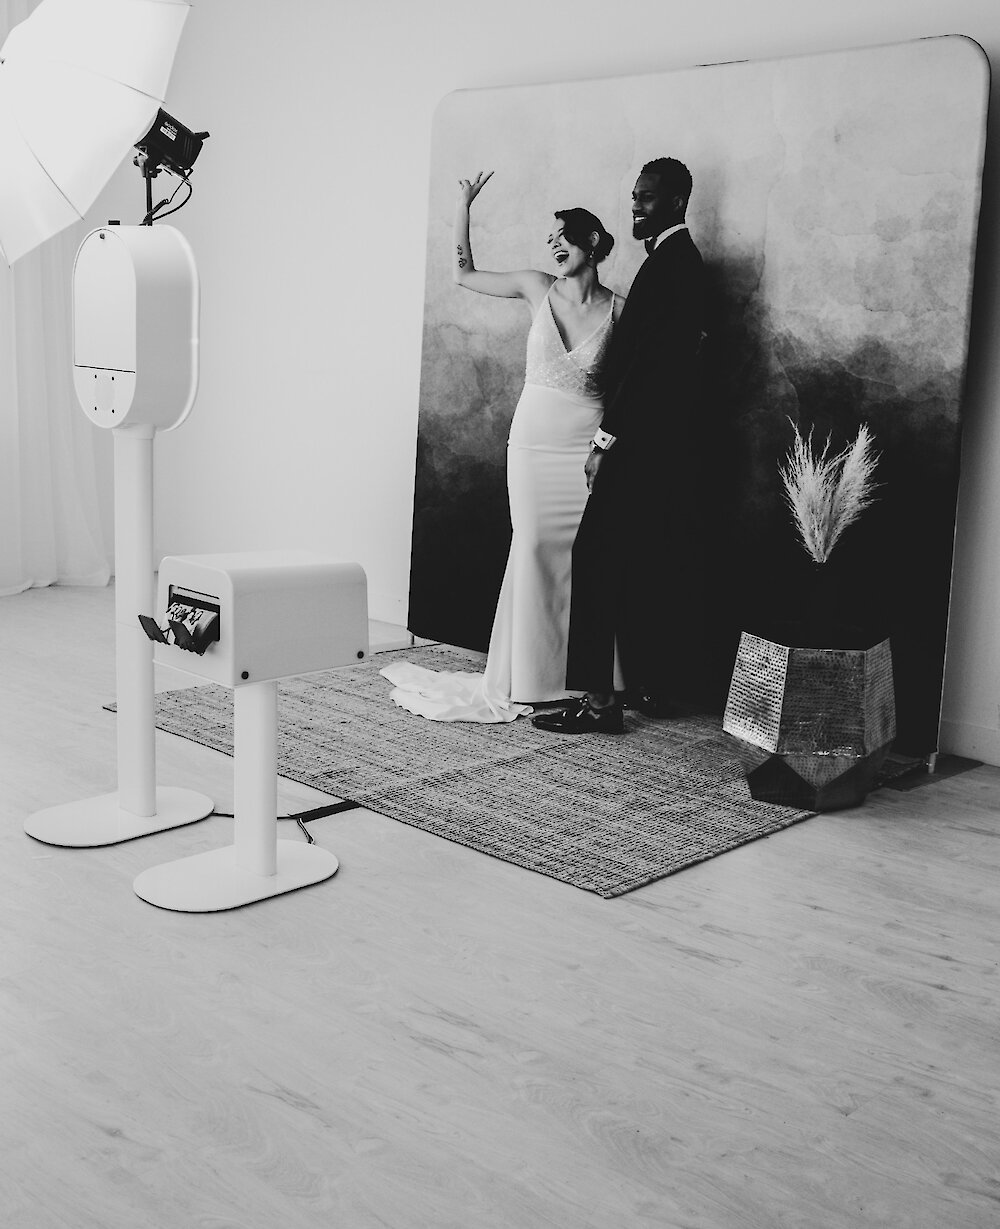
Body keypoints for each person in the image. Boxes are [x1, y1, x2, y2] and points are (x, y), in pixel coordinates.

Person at [382, 171, 623, 722]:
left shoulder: (620, 310)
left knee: (586, 560)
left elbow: (652, 365)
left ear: (591, 242)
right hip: (534, 444)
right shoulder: (537, 287)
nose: (554, 245)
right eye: (549, 238)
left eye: (563, 236)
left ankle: (595, 681)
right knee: (533, 548)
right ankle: (535, 681)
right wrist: (463, 205)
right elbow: (463, 273)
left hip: (586, 447)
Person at [532, 157, 707, 735]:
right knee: (641, 563)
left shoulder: (671, 266)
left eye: (647, 197)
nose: (636, 205)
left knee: (595, 560)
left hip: (639, 446)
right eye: (634, 195)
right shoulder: (675, 262)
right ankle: (649, 687)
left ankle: (600, 703)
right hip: (662, 447)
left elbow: (649, 372)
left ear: (677, 201)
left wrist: (605, 441)